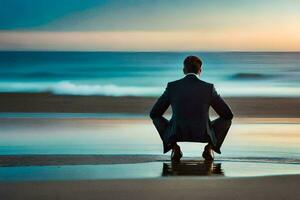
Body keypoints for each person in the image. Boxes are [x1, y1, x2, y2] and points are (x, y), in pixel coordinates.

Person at [150, 55, 233, 161]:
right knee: (227, 120)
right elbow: (228, 115)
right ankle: (210, 148)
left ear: (184, 70)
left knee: (155, 117)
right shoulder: (209, 88)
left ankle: (174, 147)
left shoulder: (172, 87)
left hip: (176, 133)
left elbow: (154, 113)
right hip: (203, 134)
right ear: (200, 70)